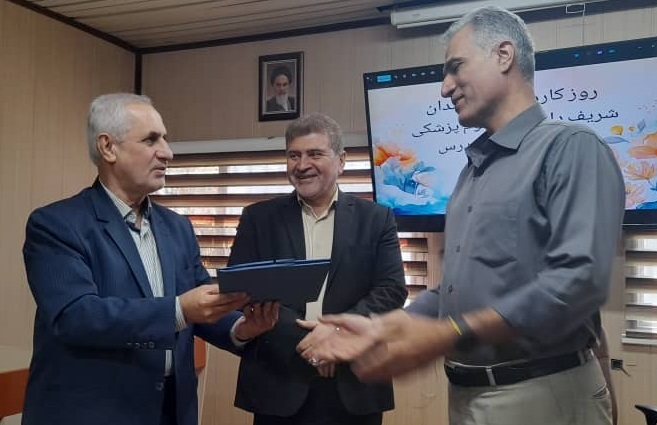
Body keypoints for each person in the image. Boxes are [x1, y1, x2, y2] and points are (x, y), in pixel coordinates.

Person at [297, 6, 625, 425]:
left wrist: (445, 334)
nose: (444, 87)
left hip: (541, 395)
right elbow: (457, 290)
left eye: (455, 68)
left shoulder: (571, 148)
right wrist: (388, 327)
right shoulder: (472, 172)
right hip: (468, 396)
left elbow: (577, 283)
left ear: (503, 55)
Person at [21, 93, 278, 425]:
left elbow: (200, 305)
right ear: (108, 147)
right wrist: (178, 310)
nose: (168, 152)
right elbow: (75, 316)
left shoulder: (178, 227)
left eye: (165, 139)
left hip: (171, 411)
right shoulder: (56, 225)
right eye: (151, 140)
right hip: (96, 413)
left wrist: (241, 328)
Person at [228, 112, 407, 425]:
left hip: (355, 381)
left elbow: (391, 290)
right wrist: (312, 343)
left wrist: (335, 334)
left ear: (341, 161)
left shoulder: (376, 219)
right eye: (293, 155)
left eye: (314, 154)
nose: (302, 165)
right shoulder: (258, 219)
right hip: (278, 381)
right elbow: (242, 290)